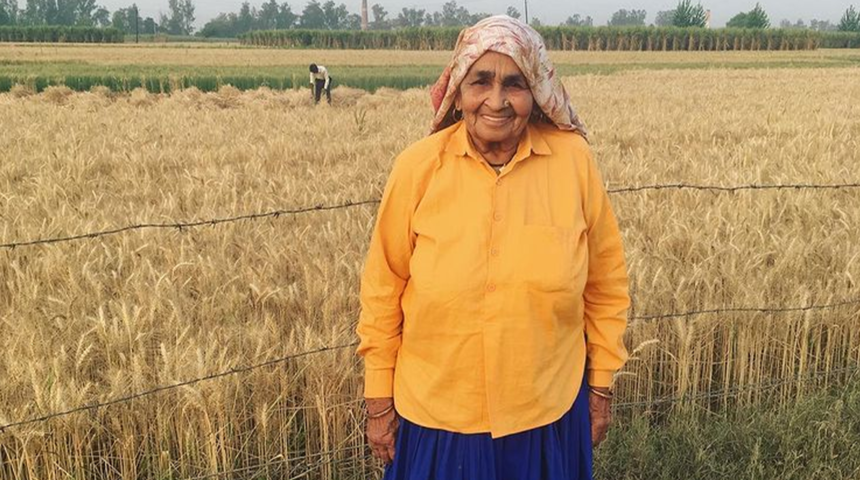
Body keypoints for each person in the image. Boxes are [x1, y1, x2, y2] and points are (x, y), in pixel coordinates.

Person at [356, 15, 629, 480]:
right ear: (459, 90)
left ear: (537, 92)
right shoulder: (419, 169)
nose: (497, 101)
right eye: (481, 81)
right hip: (437, 418)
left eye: (515, 83)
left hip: (546, 415)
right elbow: (383, 289)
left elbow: (605, 284)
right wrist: (380, 400)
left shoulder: (573, 164)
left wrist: (599, 389)